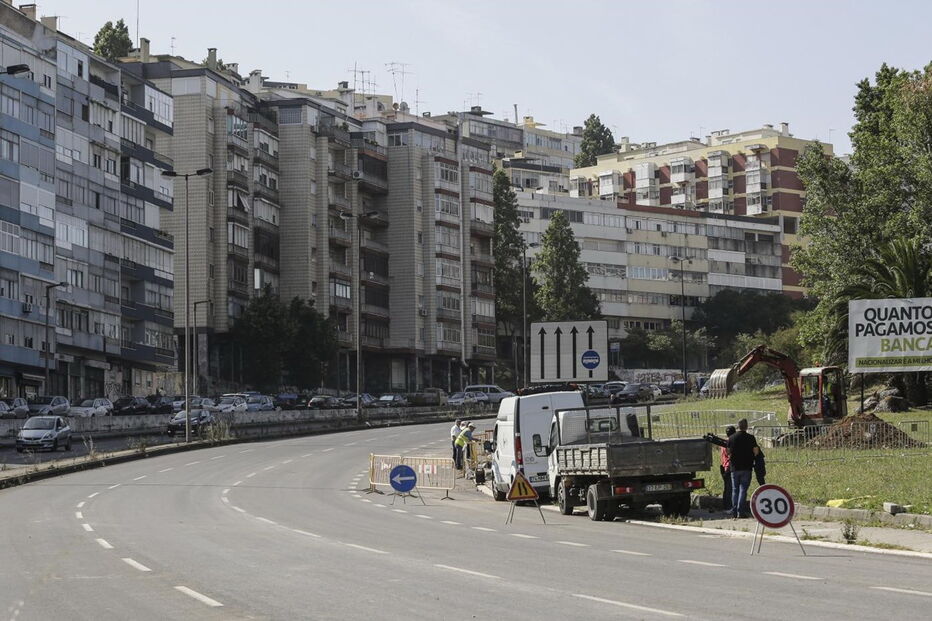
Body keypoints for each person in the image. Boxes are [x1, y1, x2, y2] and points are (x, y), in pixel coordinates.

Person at [727, 418, 759, 519]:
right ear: (746, 426)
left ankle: (734, 511)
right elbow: (756, 451)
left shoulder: (731, 438)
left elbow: (728, 452)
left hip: (734, 468)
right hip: (747, 467)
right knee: (743, 489)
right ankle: (741, 512)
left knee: (735, 490)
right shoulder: (751, 438)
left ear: (738, 426)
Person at [720, 426, 736, 514]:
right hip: (728, 467)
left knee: (727, 488)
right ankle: (728, 506)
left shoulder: (724, 442)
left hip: (723, 466)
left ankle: (726, 506)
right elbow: (730, 456)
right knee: (729, 488)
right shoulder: (729, 443)